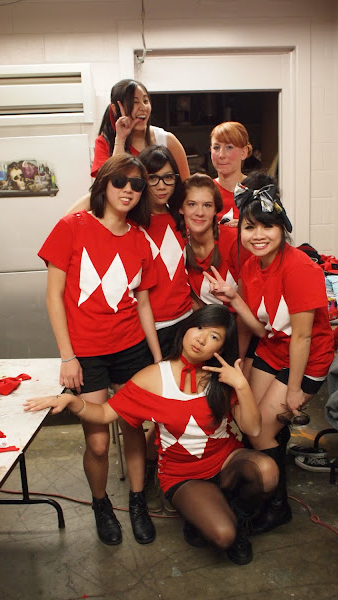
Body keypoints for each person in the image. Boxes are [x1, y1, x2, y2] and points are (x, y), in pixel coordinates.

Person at [24, 305, 279, 565]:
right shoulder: (154, 376)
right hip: (183, 474)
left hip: (225, 460)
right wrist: (70, 401)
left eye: (214, 336)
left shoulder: (223, 377)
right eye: (199, 328)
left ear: (221, 349)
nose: (201, 339)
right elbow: (104, 413)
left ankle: (238, 520)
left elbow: (253, 429)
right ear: (186, 329)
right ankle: (206, 516)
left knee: (267, 471)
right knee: (224, 536)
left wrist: (241, 385)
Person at [38, 153, 162, 546]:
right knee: (97, 441)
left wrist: (158, 359)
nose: (128, 190)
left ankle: (138, 502)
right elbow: (54, 296)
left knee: (134, 428)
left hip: (131, 348)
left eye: (137, 184)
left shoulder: (140, 239)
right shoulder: (72, 227)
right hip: (86, 354)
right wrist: (67, 356)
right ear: (104, 184)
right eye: (119, 181)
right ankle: (101, 504)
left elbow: (143, 304)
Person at [204, 171, 335, 535]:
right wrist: (233, 299)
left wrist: (294, 391)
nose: (258, 235)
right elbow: (262, 328)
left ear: (282, 228)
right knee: (248, 420)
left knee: (260, 430)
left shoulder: (300, 268)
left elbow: (303, 338)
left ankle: (277, 507)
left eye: (267, 226)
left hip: (306, 358)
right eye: (249, 227)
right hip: (275, 347)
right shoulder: (251, 265)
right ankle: (270, 467)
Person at [136, 145, 194, 514]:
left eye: (168, 177)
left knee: (180, 405)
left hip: (183, 322)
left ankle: (174, 473)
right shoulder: (132, 220)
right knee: (152, 409)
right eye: (152, 178)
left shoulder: (181, 217)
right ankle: (149, 471)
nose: (161, 185)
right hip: (145, 329)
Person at [177, 173, 250, 312]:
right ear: (181, 208)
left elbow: (249, 304)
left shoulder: (235, 241)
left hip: (242, 321)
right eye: (192, 204)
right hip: (207, 321)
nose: (200, 212)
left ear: (216, 209)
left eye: (207, 205)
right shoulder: (179, 242)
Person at [91, 79, 190, 181]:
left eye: (145, 101)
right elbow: (111, 184)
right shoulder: (105, 142)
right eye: (135, 102)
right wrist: (120, 139)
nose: (143, 107)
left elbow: (187, 186)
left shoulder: (167, 140)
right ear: (115, 109)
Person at [210, 121, 253, 226]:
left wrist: (249, 227)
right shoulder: (204, 191)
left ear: (244, 152)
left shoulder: (258, 192)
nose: (221, 155)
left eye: (229, 147)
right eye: (216, 147)